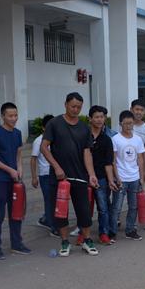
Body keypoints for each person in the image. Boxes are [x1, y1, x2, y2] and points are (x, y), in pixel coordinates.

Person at [40, 92, 99, 257]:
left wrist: (91, 174)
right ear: (65, 104)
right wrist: (57, 167)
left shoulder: (84, 128)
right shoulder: (54, 123)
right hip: (60, 178)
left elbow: (87, 152)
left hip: (80, 176)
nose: (75, 110)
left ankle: (87, 240)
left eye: (79, 107)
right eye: (73, 106)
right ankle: (65, 242)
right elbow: (44, 147)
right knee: (61, 212)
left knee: (84, 211)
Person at [0, 102, 30, 260]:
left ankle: (16, 243)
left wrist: (19, 168)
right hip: (0, 179)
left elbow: (18, 154)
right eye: (10, 116)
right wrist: (9, 170)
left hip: (15, 180)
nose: (13, 118)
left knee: (16, 212)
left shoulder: (17, 133)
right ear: (3, 116)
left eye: (16, 115)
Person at [111, 111, 145, 241]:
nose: (128, 126)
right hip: (121, 178)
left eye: (130, 123)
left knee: (133, 206)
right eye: (126, 123)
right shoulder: (115, 139)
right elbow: (113, 160)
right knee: (117, 207)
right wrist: (117, 177)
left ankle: (130, 230)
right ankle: (112, 231)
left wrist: (141, 176)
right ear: (120, 124)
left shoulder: (137, 139)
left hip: (134, 178)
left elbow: (140, 159)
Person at [88, 105, 118, 244]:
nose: (100, 120)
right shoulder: (84, 137)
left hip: (101, 179)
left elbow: (108, 163)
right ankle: (84, 234)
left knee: (103, 208)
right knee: (84, 207)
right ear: (90, 119)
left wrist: (111, 180)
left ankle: (104, 233)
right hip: (85, 177)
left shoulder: (107, 140)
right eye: (96, 117)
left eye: (102, 117)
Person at [31, 114, 58, 237]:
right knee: (49, 200)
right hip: (45, 175)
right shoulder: (39, 141)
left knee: (56, 200)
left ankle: (47, 219)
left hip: (57, 174)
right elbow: (33, 159)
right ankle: (53, 226)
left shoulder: (57, 138)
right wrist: (34, 177)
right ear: (43, 128)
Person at [130, 99, 145, 169]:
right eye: (137, 109)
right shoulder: (123, 125)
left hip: (139, 165)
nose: (139, 112)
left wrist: (144, 168)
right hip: (123, 166)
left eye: (142, 110)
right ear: (131, 109)